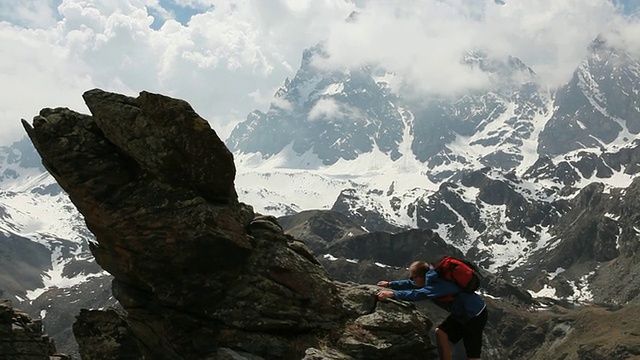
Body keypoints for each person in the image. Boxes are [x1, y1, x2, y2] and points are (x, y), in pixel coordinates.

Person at [377, 260, 488, 360]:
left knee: (472, 355)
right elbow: (412, 284)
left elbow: (419, 294)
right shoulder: (430, 278)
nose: (412, 280)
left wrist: (394, 293)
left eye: (413, 277)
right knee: (441, 333)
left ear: (420, 277)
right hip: (461, 313)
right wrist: (390, 284)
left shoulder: (437, 285)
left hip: (475, 315)